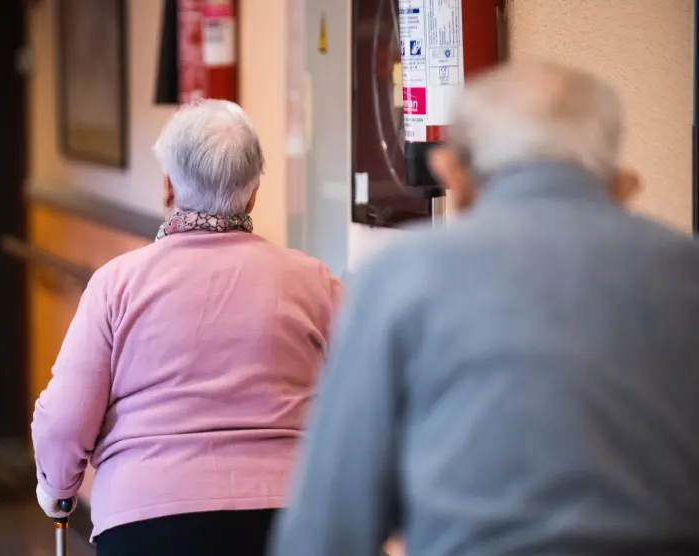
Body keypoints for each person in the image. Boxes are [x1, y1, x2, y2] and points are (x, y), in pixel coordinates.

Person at [272, 61, 699, 556]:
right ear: (620, 181)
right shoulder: (684, 270)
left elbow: (332, 520)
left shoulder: (401, 274)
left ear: (453, 173)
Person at [31, 99, 342, 556]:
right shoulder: (314, 282)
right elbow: (364, 398)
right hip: (289, 516)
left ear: (167, 188)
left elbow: (65, 419)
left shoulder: (117, 285)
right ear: (253, 194)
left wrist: (57, 488)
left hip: (147, 521)